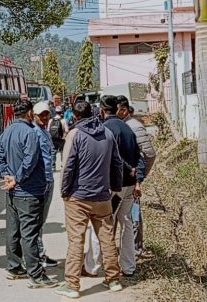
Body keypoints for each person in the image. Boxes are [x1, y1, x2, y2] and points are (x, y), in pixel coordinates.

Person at [55, 101, 124, 299]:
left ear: (75, 117)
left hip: (78, 197)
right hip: (102, 196)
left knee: (76, 240)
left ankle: (72, 285)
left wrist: (64, 191)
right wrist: (115, 187)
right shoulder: (107, 134)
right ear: (94, 113)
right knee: (107, 238)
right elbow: (117, 163)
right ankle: (113, 280)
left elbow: (68, 166)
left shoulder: (75, 135)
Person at [0, 99, 58, 288]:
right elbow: (31, 160)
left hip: (14, 190)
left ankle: (14, 267)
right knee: (29, 233)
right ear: (30, 113)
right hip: (28, 190)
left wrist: (7, 175)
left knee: (13, 229)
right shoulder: (30, 133)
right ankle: (36, 275)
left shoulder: (6, 132)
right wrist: (17, 178)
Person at [100, 96, 144, 277]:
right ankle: (128, 266)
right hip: (129, 186)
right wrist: (137, 180)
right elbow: (140, 157)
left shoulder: (104, 130)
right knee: (126, 222)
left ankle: (98, 265)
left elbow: (110, 159)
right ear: (117, 109)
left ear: (102, 109)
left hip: (113, 186)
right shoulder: (128, 128)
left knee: (103, 223)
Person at [117, 95, 156, 255]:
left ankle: (136, 248)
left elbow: (149, 154)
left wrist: (140, 176)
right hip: (119, 180)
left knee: (133, 214)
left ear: (124, 110)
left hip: (131, 180)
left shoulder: (134, 126)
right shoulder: (119, 125)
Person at [32, 101, 58, 268]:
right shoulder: (35, 132)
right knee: (37, 221)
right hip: (42, 181)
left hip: (48, 179)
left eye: (46, 114)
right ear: (34, 116)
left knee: (41, 221)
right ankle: (37, 254)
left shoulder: (44, 131)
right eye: (40, 114)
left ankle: (39, 253)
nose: (44, 117)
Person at [48, 105, 69, 171]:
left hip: (53, 139)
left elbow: (48, 130)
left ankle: (53, 166)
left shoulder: (51, 120)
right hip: (61, 139)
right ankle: (62, 166)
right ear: (61, 112)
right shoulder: (63, 120)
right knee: (63, 152)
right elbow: (66, 130)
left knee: (53, 152)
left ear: (55, 112)